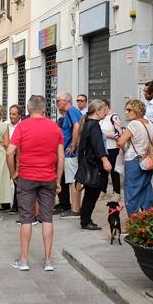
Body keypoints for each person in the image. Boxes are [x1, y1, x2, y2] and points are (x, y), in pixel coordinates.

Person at [7, 95, 64, 272]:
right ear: (44, 109)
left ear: (28, 110)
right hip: (48, 177)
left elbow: (10, 153)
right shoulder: (54, 127)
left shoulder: (22, 126)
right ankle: (48, 261)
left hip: (26, 176)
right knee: (47, 218)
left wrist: (13, 173)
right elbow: (61, 157)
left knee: (26, 218)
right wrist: (58, 180)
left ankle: (23, 260)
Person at [76, 100, 111, 231]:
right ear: (98, 111)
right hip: (94, 165)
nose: (106, 112)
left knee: (90, 194)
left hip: (88, 164)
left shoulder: (87, 123)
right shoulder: (94, 125)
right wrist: (105, 160)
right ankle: (85, 221)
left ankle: (85, 219)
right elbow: (98, 145)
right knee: (92, 194)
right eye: (104, 110)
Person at [116, 99, 153, 215]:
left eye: (129, 110)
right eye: (126, 110)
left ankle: (133, 220)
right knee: (146, 188)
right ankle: (147, 217)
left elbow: (120, 142)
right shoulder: (149, 123)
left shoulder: (133, 124)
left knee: (132, 191)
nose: (126, 112)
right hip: (148, 160)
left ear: (137, 110)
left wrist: (123, 144)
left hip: (134, 160)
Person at [56, 92, 82, 218]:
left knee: (73, 181)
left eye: (58, 100)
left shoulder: (72, 111)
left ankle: (75, 209)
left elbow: (77, 127)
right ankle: (75, 208)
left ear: (65, 101)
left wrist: (73, 145)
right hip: (69, 152)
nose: (56, 103)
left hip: (70, 153)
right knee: (72, 181)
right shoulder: (72, 112)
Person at [99, 100, 122, 197]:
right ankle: (102, 190)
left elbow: (118, 134)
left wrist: (103, 134)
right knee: (103, 170)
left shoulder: (114, 117)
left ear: (106, 106)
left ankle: (116, 192)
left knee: (113, 171)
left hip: (112, 148)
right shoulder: (101, 118)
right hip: (103, 148)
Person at [7, 105, 23, 214]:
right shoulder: (5, 125)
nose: (11, 116)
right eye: (10, 113)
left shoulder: (22, 126)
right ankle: (4, 203)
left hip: (18, 156)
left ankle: (16, 205)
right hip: (7, 155)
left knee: (17, 180)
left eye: (14, 114)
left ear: (19, 115)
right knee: (4, 179)